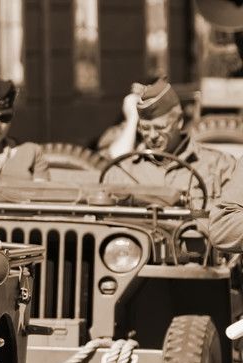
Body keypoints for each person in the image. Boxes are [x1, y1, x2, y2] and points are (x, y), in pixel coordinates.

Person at [99, 78, 243, 252]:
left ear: (179, 121)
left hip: (203, 264)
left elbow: (232, 224)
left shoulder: (220, 166)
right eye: (145, 128)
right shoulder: (122, 172)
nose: (152, 135)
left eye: (160, 127)